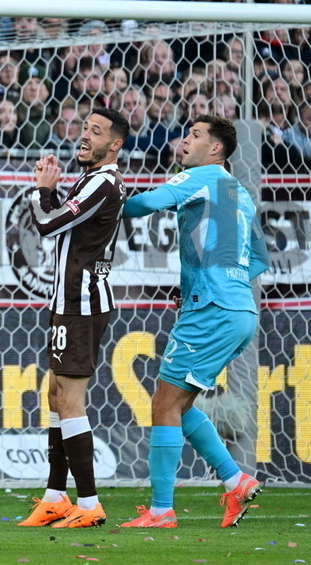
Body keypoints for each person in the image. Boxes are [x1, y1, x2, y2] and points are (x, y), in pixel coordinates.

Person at [120, 116, 269, 529]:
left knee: (164, 404)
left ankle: (161, 510)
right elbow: (258, 259)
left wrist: (105, 193)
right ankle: (235, 479)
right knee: (180, 405)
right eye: (187, 134)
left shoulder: (200, 177)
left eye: (196, 136)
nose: (186, 141)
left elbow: (143, 205)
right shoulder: (240, 193)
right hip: (241, 309)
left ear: (216, 149)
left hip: (211, 308)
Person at [18, 107, 130, 529]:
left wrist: (42, 189)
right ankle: (54, 496)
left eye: (96, 132)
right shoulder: (92, 180)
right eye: (85, 128)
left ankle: (89, 503)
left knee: (69, 399)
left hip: (81, 302)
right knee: (55, 395)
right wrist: (55, 188)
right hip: (68, 300)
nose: (85, 136)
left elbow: (47, 223)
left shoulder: (103, 182)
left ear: (114, 145)